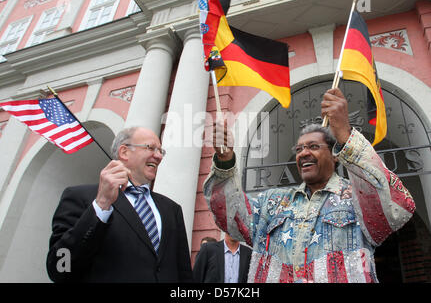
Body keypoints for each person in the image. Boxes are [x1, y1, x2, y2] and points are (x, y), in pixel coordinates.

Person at [203, 88, 416, 283]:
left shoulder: (356, 197)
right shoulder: (272, 203)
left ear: (334, 156)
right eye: (299, 149)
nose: (304, 153)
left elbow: (398, 208)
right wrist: (225, 161)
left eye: (313, 146)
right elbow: (231, 218)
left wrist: (345, 134)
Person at [46, 127, 193, 282]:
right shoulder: (81, 197)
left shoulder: (171, 209)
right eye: (150, 148)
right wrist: (101, 205)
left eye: (160, 151)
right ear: (124, 152)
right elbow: (59, 267)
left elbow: (183, 273)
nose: (158, 156)